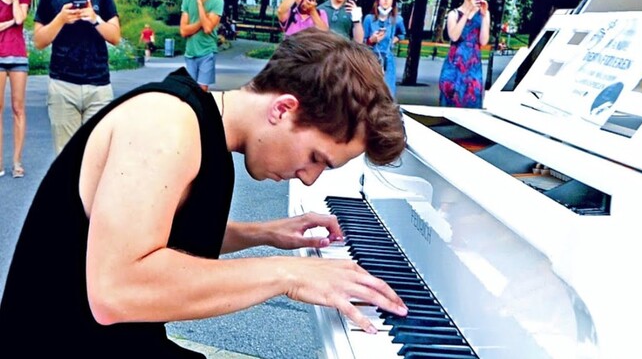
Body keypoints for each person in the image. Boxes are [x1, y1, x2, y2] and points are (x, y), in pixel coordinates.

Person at [0, 28, 408, 357]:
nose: (309, 178)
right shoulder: (166, 123)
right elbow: (115, 289)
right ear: (283, 109)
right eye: (316, 157)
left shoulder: (208, 134)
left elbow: (158, 232)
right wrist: (288, 273)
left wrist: (265, 233)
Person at [33, 0, 121, 155]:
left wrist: (95, 19)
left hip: (98, 85)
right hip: (63, 85)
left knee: (97, 155)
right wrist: (60, 19)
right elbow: (38, 41)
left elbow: (115, 36)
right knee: (66, 157)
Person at [438, 0, 490, 108]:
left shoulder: (484, 13)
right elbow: (454, 36)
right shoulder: (454, 14)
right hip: (454, 65)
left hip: (473, 66)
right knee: (451, 103)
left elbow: (483, 41)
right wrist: (467, 11)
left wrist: (484, 15)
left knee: (472, 102)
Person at [0, 0, 29, 178]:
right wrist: (10, 22)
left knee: (18, 109)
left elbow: (20, 19)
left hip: (18, 56)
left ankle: (17, 161)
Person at [180, 0, 224, 92]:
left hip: (206, 51)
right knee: (189, 90)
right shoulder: (187, 0)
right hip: (190, 53)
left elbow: (208, 29)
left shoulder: (217, 1)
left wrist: (199, 1)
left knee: (201, 91)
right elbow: (183, 31)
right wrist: (203, 20)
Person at [363, 0, 406, 98]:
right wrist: (371, 40)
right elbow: (362, 41)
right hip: (372, 58)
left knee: (388, 92)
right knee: (371, 92)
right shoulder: (369, 19)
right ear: (378, 0)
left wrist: (392, 41)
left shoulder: (397, 20)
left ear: (392, 0)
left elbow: (402, 34)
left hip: (388, 59)